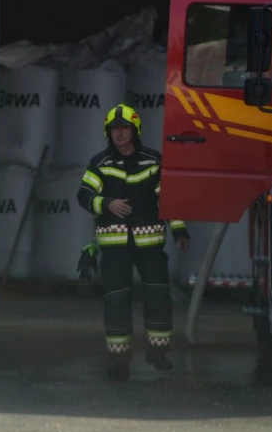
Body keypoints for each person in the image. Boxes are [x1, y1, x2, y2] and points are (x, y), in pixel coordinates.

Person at [76, 104, 190, 381]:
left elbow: (169, 199)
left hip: (150, 245)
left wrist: (179, 230)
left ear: (134, 130)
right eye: (114, 130)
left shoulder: (153, 161)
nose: (119, 134)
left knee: (158, 296)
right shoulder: (100, 163)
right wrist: (106, 203)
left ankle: (158, 352)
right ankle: (119, 361)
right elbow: (84, 194)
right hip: (114, 247)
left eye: (124, 129)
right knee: (116, 301)